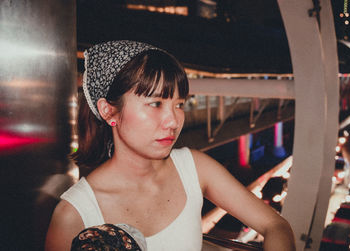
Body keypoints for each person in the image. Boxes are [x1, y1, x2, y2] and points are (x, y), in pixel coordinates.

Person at [45, 40, 295, 251]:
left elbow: (276, 226)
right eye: (155, 103)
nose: (174, 121)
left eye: (179, 104)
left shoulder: (194, 168)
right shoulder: (74, 214)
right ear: (108, 110)